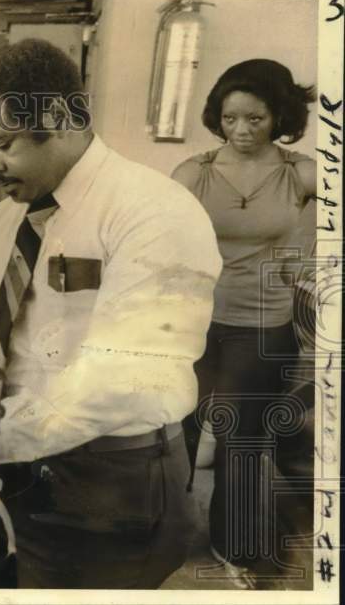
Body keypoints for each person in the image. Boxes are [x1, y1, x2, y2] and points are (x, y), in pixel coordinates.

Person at [0, 39, 223, 589]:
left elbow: (123, 380)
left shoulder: (155, 213)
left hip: (107, 482)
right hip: (0, 470)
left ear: (60, 117)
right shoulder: (0, 223)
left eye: (2, 144)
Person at [171, 59, 316, 588]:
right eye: (231, 118)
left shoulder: (302, 171)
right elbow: (163, 245)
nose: (242, 130)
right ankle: (161, 534)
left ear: (279, 115)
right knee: (174, 424)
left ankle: (236, 548)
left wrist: (305, 260)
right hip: (193, 319)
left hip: (263, 321)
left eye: (255, 118)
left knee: (240, 437)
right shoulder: (193, 172)